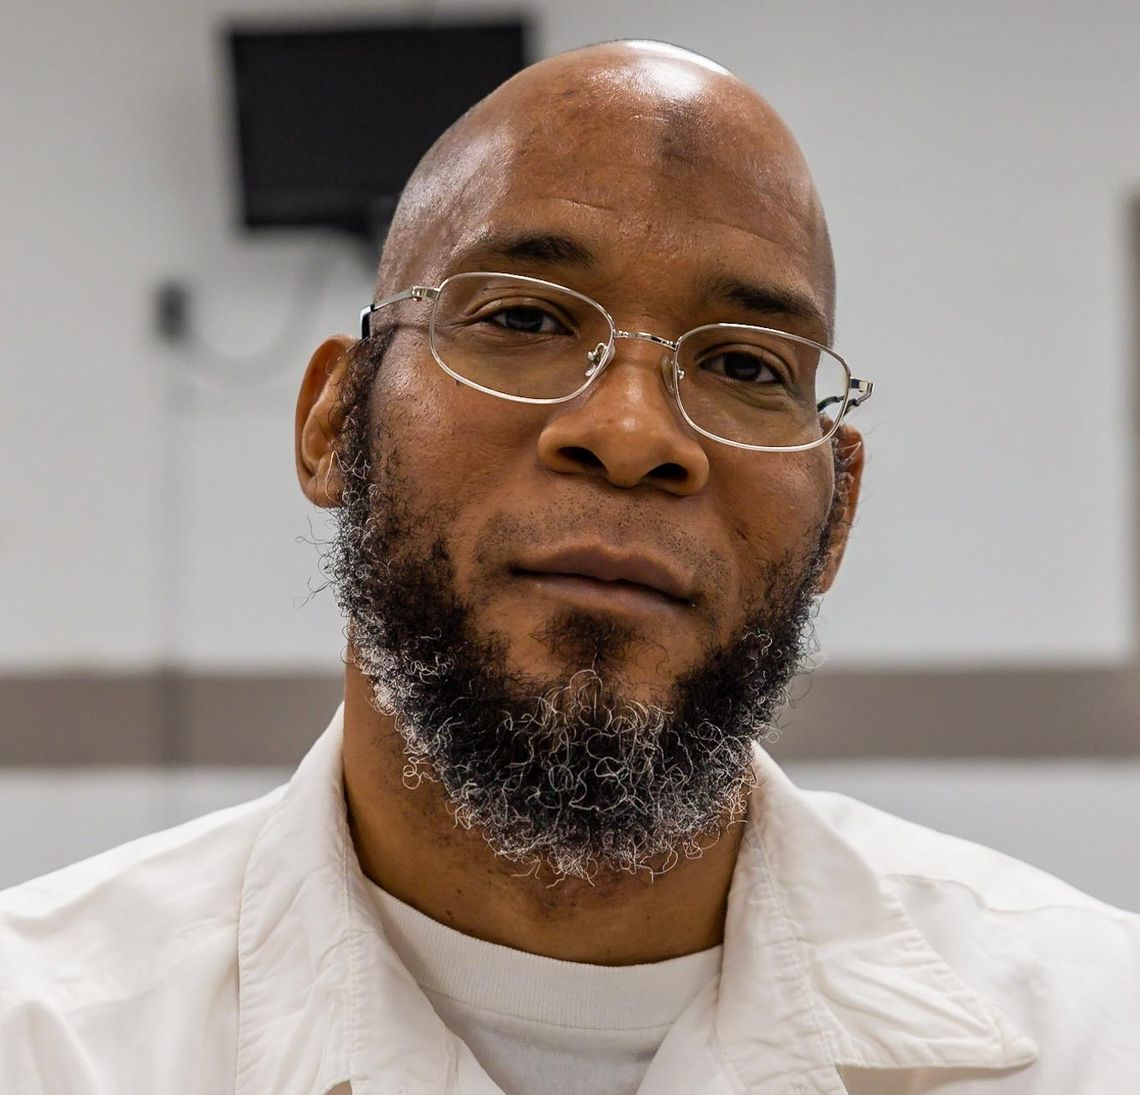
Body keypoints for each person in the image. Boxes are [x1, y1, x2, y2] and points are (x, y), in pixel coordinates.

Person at [1, 39, 1136, 1095]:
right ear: (335, 421)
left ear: (835, 514)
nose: (633, 434)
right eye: (525, 318)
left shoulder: (1097, 1035)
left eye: (747, 364)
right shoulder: (47, 1040)